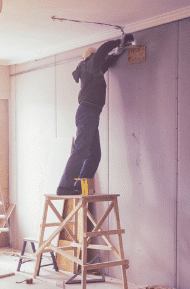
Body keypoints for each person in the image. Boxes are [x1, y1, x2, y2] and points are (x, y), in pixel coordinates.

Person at [56, 33, 134, 195]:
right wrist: (119, 41)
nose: (99, 59)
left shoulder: (93, 69)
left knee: (94, 154)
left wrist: (119, 51)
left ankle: (78, 186)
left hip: (91, 114)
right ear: (91, 57)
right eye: (96, 56)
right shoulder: (90, 65)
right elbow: (103, 51)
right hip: (87, 113)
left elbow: (106, 62)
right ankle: (64, 187)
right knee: (81, 150)